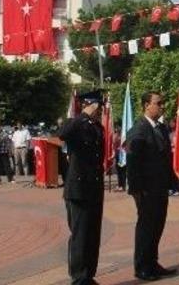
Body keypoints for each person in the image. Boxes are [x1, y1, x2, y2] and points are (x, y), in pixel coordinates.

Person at [126, 92, 178, 281]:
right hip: (146, 189)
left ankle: (152, 262)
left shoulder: (161, 128)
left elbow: (165, 158)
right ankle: (142, 267)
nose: (162, 106)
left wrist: (173, 182)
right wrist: (136, 189)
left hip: (160, 187)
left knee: (158, 225)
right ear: (147, 105)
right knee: (146, 227)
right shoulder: (138, 130)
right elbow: (132, 160)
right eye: (159, 103)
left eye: (163, 103)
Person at [59, 90, 105, 285]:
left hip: (94, 187)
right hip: (78, 189)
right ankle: (79, 277)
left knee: (93, 233)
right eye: (98, 107)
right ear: (90, 105)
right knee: (80, 235)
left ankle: (89, 274)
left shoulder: (97, 128)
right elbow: (63, 133)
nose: (100, 110)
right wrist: (84, 114)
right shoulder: (77, 124)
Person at [113, 125, 126, 191]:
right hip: (118, 155)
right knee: (119, 171)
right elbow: (114, 146)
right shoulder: (116, 137)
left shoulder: (122, 137)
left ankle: (122, 185)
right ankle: (120, 185)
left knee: (122, 171)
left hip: (122, 155)